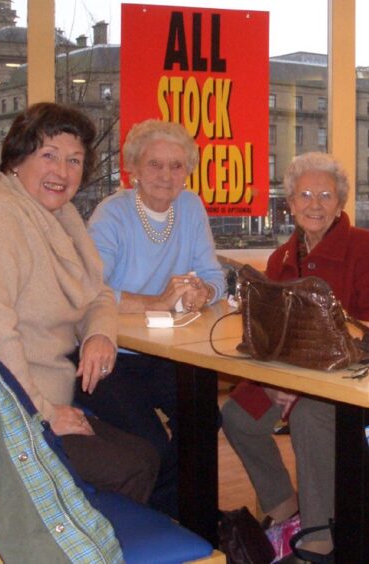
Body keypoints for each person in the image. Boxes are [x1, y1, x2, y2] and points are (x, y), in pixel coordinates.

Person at [0, 102, 159, 502]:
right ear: (17, 160)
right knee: (133, 464)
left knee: (143, 451)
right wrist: (44, 413)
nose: (63, 172)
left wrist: (99, 334)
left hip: (38, 396)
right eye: (48, 155)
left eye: (74, 160)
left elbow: (99, 292)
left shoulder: (61, 217)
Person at [221, 152, 369, 558]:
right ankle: (286, 511)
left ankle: (319, 537)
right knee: (237, 415)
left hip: (353, 376)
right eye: (305, 195)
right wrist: (276, 380)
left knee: (308, 414)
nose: (314, 204)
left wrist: (300, 384)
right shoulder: (280, 256)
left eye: (325, 195)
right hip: (290, 374)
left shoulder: (366, 247)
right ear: (290, 202)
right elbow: (270, 333)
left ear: (340, 203)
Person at [79, 119, 226, 518]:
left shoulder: (191, 206)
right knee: (151, 444)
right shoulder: (113, 214)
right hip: (109, 355)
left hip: (164, 353)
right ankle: (163, 520)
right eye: (155, 164)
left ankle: (186, 518)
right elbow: (90, 288)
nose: (166, 175)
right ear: (134, 170)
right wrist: (156, 302)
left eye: (177, 166)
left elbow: (214, 275)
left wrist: (203, 293)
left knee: (204, 420)